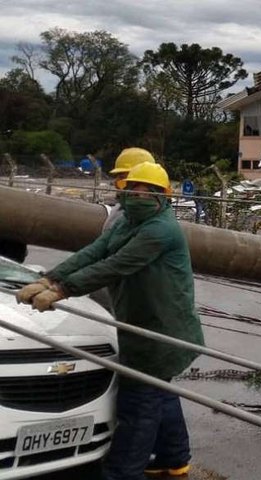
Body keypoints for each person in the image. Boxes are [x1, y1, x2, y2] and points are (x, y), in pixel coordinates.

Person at [16, 161, 205, 480]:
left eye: (147, 192)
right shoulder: (127, 221)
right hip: (142, 323)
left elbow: (117, 264)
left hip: (162, 330)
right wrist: (51, 277)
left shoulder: (160, 229)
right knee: (160, 393)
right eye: (132, 188)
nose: (137, 195)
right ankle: (174, 459)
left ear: (164, 197)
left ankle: (122, 473)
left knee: (138, 406)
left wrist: (63, 290)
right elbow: (96, 251)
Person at [103, 147, 157, 232]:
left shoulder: (152, 223)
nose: (116, 184)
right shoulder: (120, 210)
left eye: (122, 179)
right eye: (118, 178)